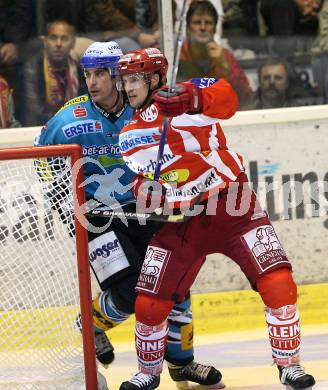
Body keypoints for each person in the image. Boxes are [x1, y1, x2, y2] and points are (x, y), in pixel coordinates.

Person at [116, 46, 316, 389]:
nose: (129, 87)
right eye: (125, 81)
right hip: (180, 222)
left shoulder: (188, 93)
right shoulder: (128, 132)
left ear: (155, 77)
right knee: (149, 303)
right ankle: (147, 373)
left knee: (278, 281)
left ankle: (289, 365)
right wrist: (145, 191)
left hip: (232, 205)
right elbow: (141, 178)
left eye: (135, 79)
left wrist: (193, 98)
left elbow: (228, 99)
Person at [35, 40, 223, 390]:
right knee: (130, 292)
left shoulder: (142, 110)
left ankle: (182, 364)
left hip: (144, 208)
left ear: (120, 76)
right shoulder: (68, 118)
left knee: (174, 283)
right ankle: (91, 323)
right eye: (87, 74)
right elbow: (43, 156)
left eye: (101, 73)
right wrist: (63, 201)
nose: (92, 82)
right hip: (97, 216)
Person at [178, 0, 253, 110]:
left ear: (214, 29)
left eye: (208, 23)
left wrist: (225, 67)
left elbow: (245, 96)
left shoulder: (225, 56)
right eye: (197, 22)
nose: (203, 28)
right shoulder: (177, 57)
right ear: (188, 28)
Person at [21, 19, 85, 126]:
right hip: (42, 129)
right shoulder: (31, 69)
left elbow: (87, 107)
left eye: (64, 39)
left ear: (73, 43)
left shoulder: (79, 69)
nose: (58, 44)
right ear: (45, 42)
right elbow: (34, 115)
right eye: (53, 38)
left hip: (75, 127)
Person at [253, 58, 318, 108]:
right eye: (266, 78)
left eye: (278, 78)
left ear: (287, 83)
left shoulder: (298, 110)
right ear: (259, 81)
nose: (271, 82)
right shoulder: (247, 111)